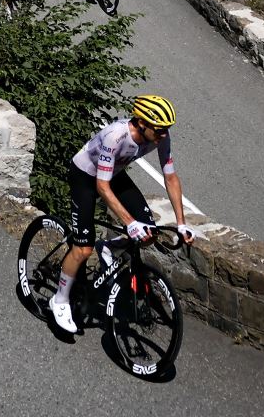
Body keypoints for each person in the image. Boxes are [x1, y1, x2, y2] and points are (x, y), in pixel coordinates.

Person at [48, 95, 195, 335]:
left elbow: (170, 177)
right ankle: (60, 300)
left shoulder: (160, 137)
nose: (163, 135)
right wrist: (129, 223)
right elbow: (101, 187)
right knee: (83, 248)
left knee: (149, 232)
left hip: (113, 175)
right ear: (142, 123)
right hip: (86, 177)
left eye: (167, 130)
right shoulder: (116, 136)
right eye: (159, 130)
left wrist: (181, 224)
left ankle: (109, 248)